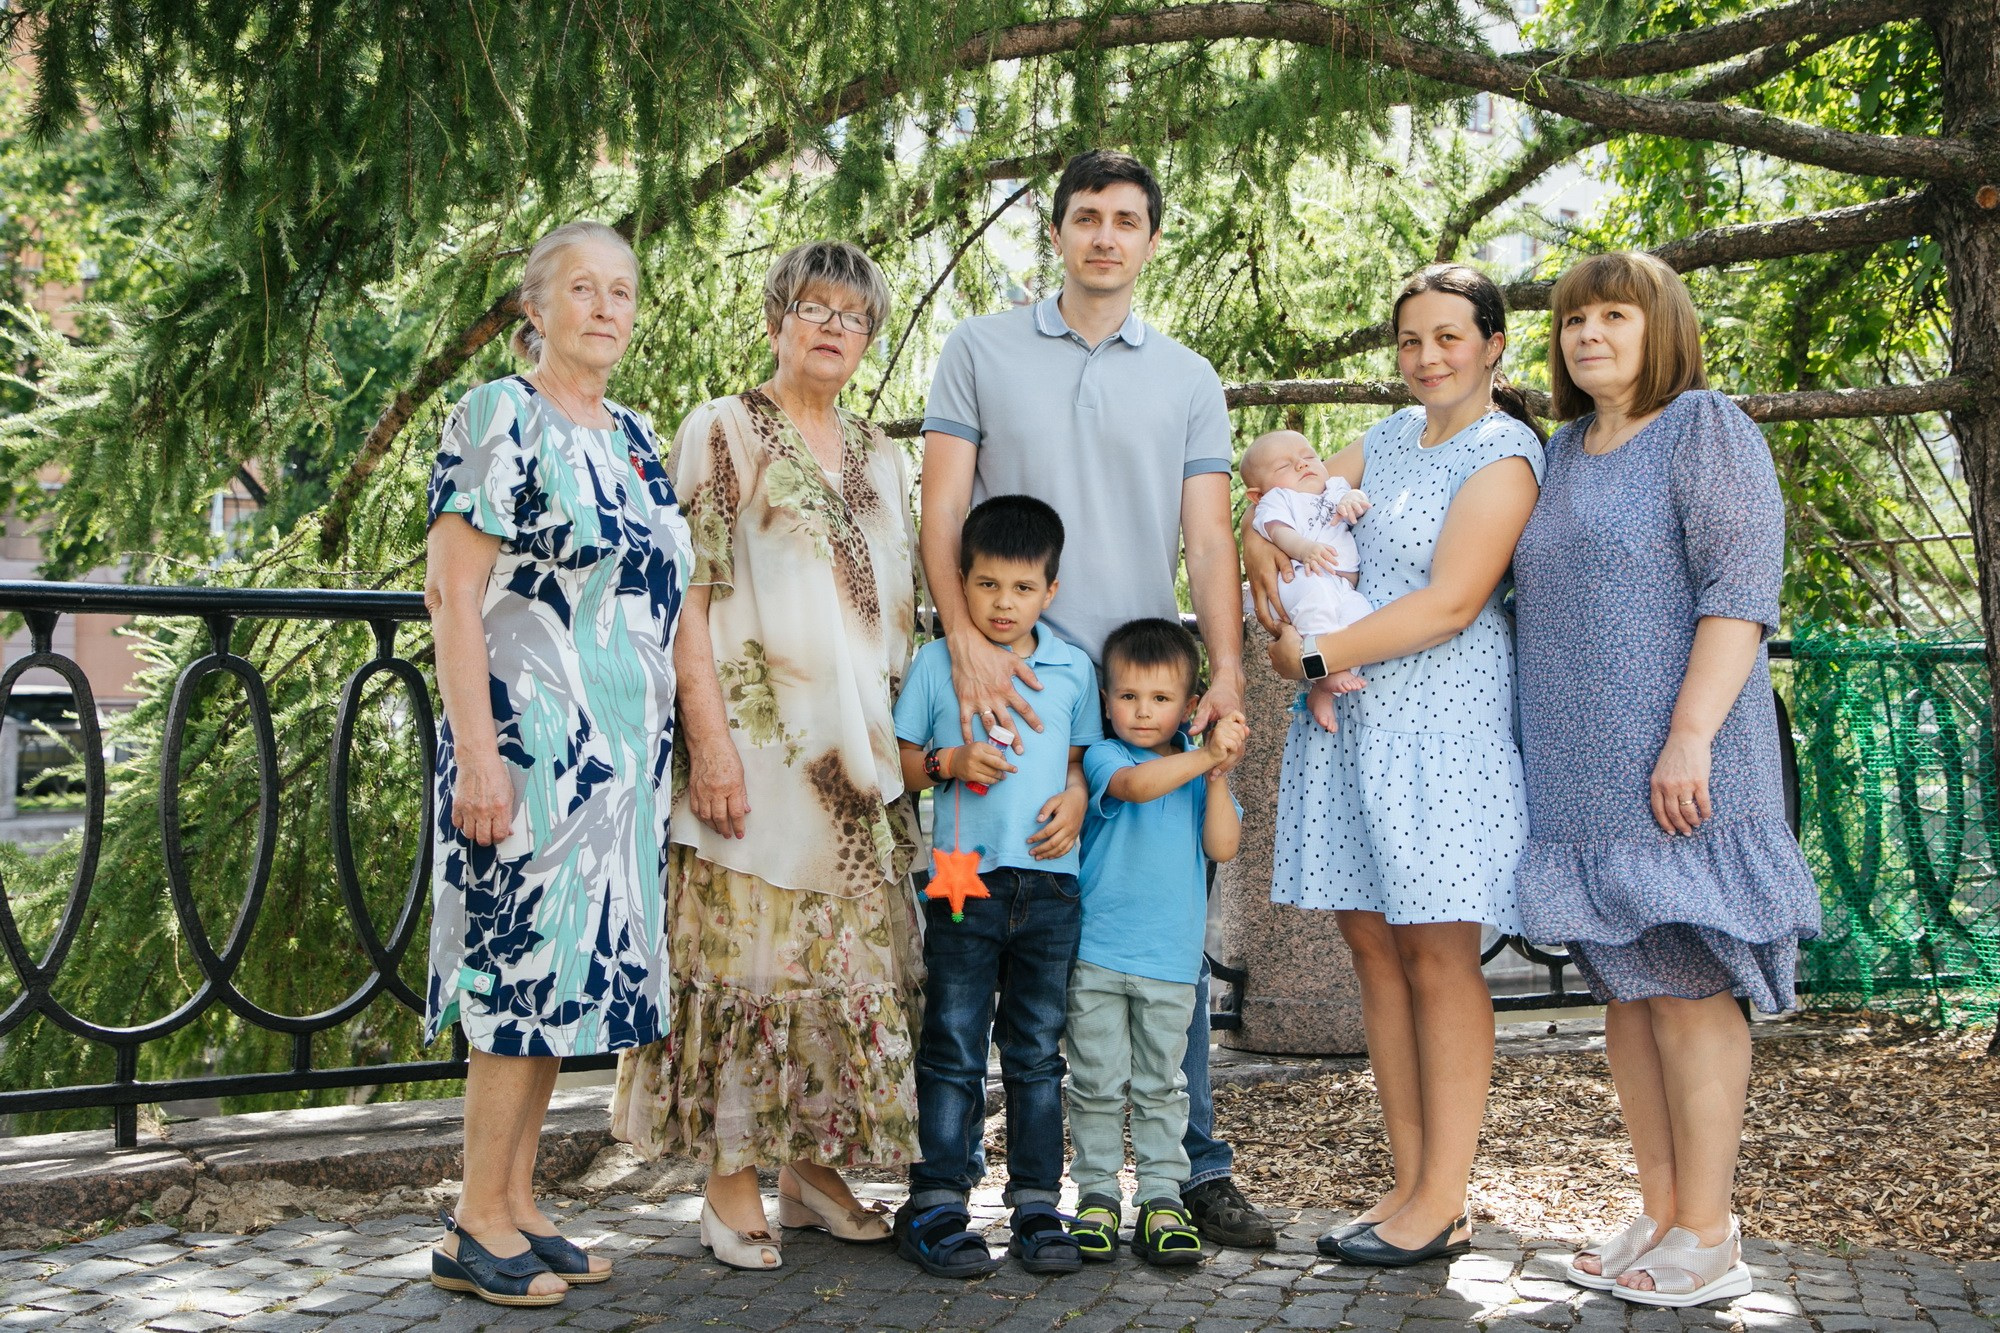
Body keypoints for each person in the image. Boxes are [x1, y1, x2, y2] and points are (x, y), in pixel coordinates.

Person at [919, 147, 1276, 1249]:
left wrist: (1220, 671)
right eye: (1085, 216)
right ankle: (987, 1186)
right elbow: (940, 515)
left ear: (1151, 240)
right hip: (1009, 696)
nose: (1105, 235)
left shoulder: (1187, 376)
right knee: (983, 946)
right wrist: (962, 648)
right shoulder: (975, 349)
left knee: (1157, 929)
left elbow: (1208, 539)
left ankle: (1188, 1170)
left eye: (1127, 219)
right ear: (1056, 232)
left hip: (1139, 706)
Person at [609, 241, 923, 1272]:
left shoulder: (882, 453)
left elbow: (894, 618)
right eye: (811, 306)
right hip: (752, 748)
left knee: (840, 971)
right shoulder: (723, 428)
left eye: (852, 314)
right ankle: (730, 1174)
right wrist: (707, 743)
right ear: (776, 317)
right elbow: (684, 598)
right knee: (741, 961)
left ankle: (806, 1167)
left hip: (856, 767)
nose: (832, 325)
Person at [1514, 251, 1819, 1308]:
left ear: (1660, 327)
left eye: (1611, 315)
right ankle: (1656, 1207)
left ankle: (1708, 1228)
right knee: (1629, 995)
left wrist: (1688, 734)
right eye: (1570, 321)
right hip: (1579, 774)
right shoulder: (1560, 449)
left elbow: (1737, 593)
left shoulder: (1702, 428)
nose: (1586, 335)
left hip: (1675, 766)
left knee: (1689, 992)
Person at [1252, 262, 1545, 1267]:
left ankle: (1446, 1193)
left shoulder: (1502, 454)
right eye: (1409, 339)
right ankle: (1413, 1183)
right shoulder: (1375, 441)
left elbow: (1453, 600)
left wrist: (1317, 654)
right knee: (1373, 949)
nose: (1425, 356)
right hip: (1355, 731)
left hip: (1440, 731)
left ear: (1492, 344)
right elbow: (1275, 507)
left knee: (1436, 953)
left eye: (1447, 336)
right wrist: (1264, 579)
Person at [424, 220, 687, 1306]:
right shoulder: (498, 414)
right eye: (581, 287)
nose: (605, 306)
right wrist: (478, 757)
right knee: (514, 973)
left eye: (621, 289)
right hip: (526, 750)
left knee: (565, 979)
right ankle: (473, 1221)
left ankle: (519, 1199)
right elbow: (450, 593)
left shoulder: (631, 434)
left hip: (617, 763)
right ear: (536, 306)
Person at [892, 494, 1100, 1278]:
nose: (1002, 603)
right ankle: (939, 1200)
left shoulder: (1073, 668)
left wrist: (1077, 797)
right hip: (959, 878)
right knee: (951, 1040)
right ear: (962, 582)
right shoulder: (938, 663)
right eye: (985, 586)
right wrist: (951, 764)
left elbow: (1080, 761)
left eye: (1021, 588)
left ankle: (1039, 1202)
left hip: (1050, 884)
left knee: (1038, 1050)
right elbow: (904, 760)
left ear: (1050, 590)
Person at [1067, 618, 1246, 1268]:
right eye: (1128, 696)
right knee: (1094, 1080)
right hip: (1098, 955)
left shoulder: (1198, 772)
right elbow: (1139, 788)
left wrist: (1219, 771)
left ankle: (1163, 1199)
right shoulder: (1106, 757)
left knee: (1162, 1085)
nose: (1143, 712)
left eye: (1161, 698)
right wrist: (1206, 754)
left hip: (1170, 963)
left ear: (1190, 705)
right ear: (1106, 699)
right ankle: (1094, 1196)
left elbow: (1223, 844)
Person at [1240, 429, 1373, 731]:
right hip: (1299, 579)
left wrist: (1353, 498)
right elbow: (1277, 532)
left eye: (1308, 456)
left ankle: (1321, 691)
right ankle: (1323, 675)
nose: (1302, 465)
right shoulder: (1277, 500)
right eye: (1284, 466)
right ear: (1257, 495)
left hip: (1337, 584)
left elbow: (1354, 496)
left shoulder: (1333, 486)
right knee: (1317, 604)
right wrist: (1304, 549)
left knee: (1361, 615)